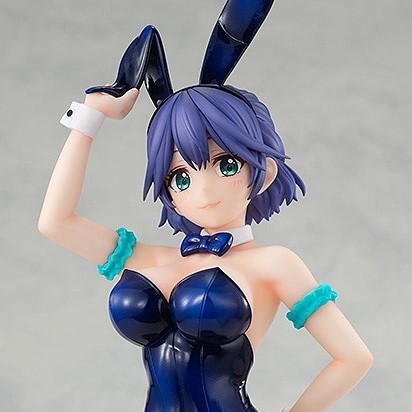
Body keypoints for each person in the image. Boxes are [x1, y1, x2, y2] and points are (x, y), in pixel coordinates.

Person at [38, 1, 373, 411]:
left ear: (264, 171)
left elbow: (353, 357)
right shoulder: (149, 258)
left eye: (226, 164)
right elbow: (56, 222)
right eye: (181, 177)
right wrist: (91, 116)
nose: (203, 189)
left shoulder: (274, 264)